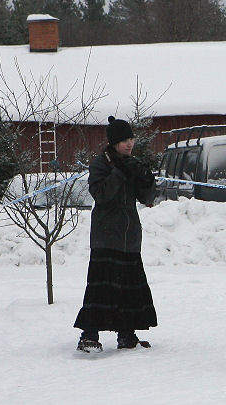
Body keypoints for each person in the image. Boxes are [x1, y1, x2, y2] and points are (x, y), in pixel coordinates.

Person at [74, 116, 157, 352]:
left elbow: (148, 199)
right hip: (106, 236)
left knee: (128, 289)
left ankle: (126, 334)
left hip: (129, 238)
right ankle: (89, 335)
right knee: (102, 288)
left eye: (131, 139)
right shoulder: (101, 164)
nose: (129, 144)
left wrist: (146, 179)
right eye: (124, 140)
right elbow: (101, 195)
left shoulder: (132, 162)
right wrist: (119, 172)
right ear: (113, 143)